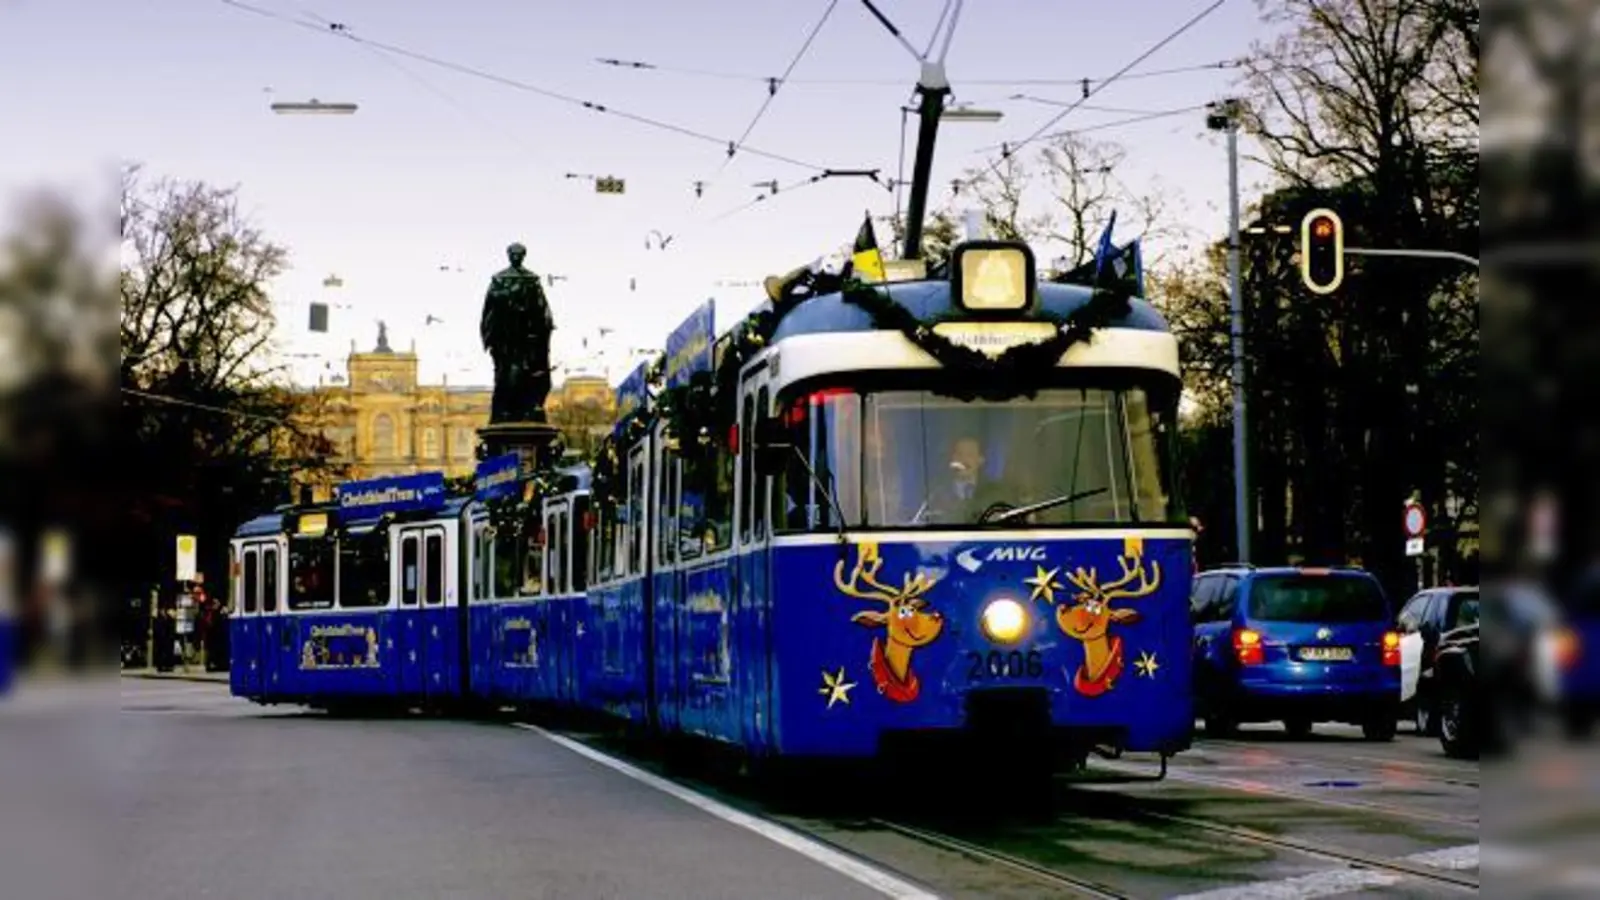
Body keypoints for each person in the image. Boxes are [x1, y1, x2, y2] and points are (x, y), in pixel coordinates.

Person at [922, 436, 1009, 523]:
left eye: (969, 455)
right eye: (959, 454)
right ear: (952, 459)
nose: (963, 460)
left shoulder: (996, 493)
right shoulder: (936, 494)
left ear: (981, 460)